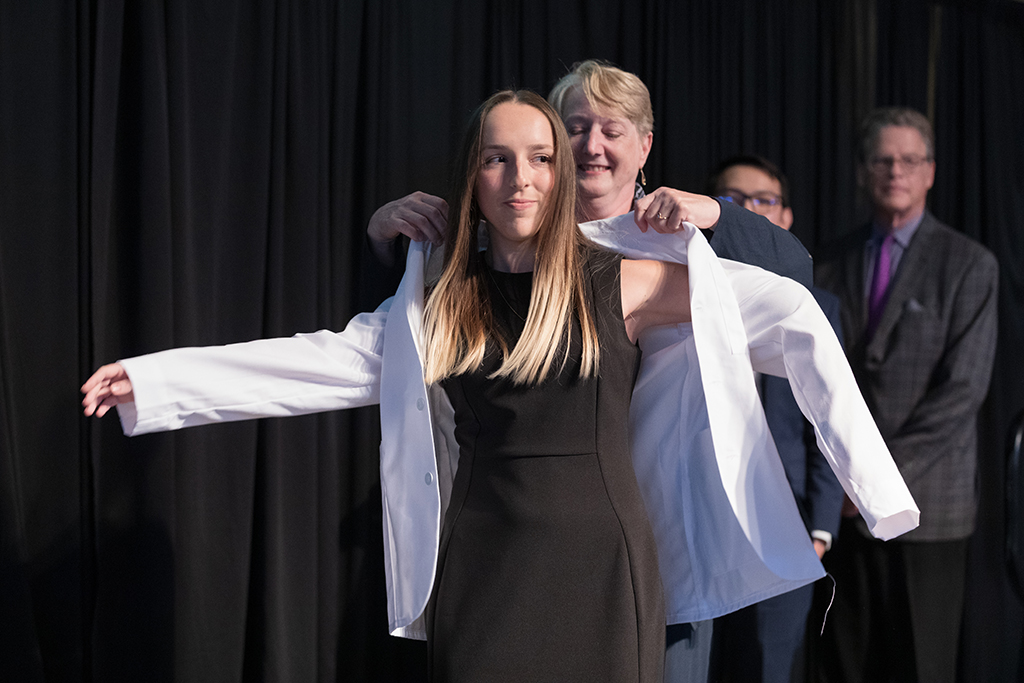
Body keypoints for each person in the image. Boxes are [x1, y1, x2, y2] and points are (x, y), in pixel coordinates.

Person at [84, 90, 918, 683]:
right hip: (482, 569)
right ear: (471, 179)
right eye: (498, 157)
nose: (522, 176)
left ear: (561, 178)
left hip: (605, 568)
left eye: (542, 158)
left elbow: (794, 311)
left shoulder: (627, 281)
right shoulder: (448, 300)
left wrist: (875, 489)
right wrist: (156, 383)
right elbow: (317, 363)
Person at [366, 60, 817, 681]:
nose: (592, 146)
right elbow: (404, 344)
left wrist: (714, 212)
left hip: (662, 538)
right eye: (575, 128)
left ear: (645, 146)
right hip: (520, 542)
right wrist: (390, 242)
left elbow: (794, 282)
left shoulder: (680, 237)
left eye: (612, 129)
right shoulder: (496, 245)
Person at [814, 107, 999, 683]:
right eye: (883, 160)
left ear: (931, 172)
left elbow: (961, 394)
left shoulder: (970, 264)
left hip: (928, 511)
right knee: (844, 663)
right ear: (863, 171)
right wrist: (842, 484)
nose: (896, 171)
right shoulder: (831, 262)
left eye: (909, 160)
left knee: (921, 665)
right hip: (842, 510)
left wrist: (872, 483)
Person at [705, 155, 844, 683]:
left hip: (786, 528)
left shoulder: (818, 306)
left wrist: (820, 530)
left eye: (763, 201)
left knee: (767, 668)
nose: (748, 211)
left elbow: (826, 420)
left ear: (785, 217)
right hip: (700, 522)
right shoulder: (669, 287)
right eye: (732, 201)